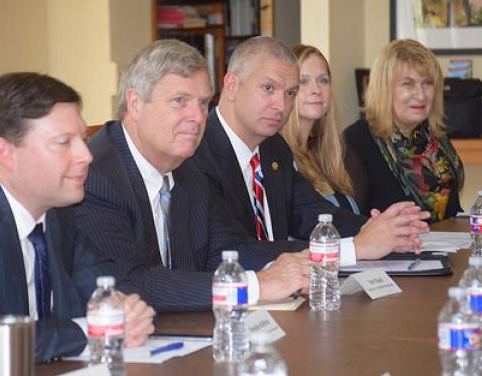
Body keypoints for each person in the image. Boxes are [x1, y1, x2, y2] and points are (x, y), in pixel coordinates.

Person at [0, 72, 155, 374]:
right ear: (6, 153)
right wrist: (93, 330)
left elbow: (106, 289)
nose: (85, 155)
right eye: (63, 143)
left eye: (83, 139)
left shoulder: (57, 210)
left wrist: (126, 311)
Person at [74, 39, 310, 313]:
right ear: (135, 103)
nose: (198, 117)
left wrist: (309, 261)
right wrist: (256, 285)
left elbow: (228, 248)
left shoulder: (189, 169)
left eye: (202, 102)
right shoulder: (96, 176)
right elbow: (132, 283)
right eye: (179, 101)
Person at [192, 36, 430, 262]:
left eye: (290, 93)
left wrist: (380, 230)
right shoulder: (197, 153)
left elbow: (314, 214)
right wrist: (355, 247)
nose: (281, 105)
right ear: (232, 85)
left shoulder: (274, 149)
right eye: (268, 88)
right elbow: (234, 251)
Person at [344, 39, 464, 222]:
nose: (421, 94)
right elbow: (350, 222)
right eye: (408, 84)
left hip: (450, 247)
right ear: (384, 89)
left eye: (427, 83)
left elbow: (454, 211)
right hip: (392, 250)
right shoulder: (356, 141)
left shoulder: (436, 139)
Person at [281, 44, 359, 214]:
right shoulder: (278, 157)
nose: (316, 90)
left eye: (323, 80)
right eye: (303, 81)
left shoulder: (323, 153)